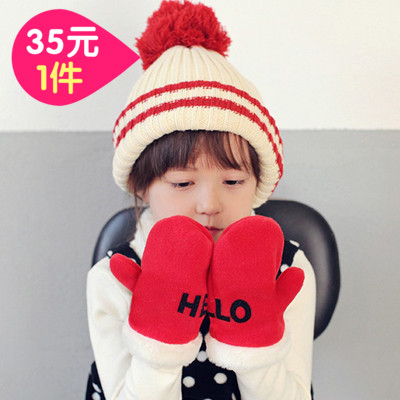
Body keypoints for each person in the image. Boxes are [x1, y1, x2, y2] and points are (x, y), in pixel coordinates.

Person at [86, 1, 316, 399]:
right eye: (182, 183)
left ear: (259, 181)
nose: (209, 203)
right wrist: (159, 343)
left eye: (232, 180)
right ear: (141, 186)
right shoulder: (115, 276)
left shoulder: (288, 267)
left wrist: (255, 343)